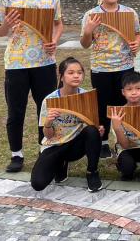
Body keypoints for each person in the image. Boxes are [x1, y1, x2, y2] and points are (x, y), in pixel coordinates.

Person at [0, 0, 63, 173]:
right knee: (16, 111)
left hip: (45, 62)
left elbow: (58, 24)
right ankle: (16, 154)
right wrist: (7, 25)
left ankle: (45, 150)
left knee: (46, 109)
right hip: (16, 63)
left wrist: (54, 40)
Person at [80, 0, 140, 158]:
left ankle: (127, 140)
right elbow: (85, 44)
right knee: (102, 105)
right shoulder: (91, 15)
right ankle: (104, 141)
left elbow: (137, 34)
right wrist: (88, 30)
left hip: (125, 66)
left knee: (125, 103)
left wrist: (136, 43)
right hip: (101, 67)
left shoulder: (130, 13)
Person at [31, 57, 104, 192]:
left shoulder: (87, 97)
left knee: (92, 131)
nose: (76, 76)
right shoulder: (50, 100)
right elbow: (48, 135)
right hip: (55, 145)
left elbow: (93, 125)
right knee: (38, 183)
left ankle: (92, 172)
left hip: (75, 145)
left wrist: (98, 130)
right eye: (71, 73)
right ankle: (61, 164)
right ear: (61, 77)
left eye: (79, 72)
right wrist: (48, 123)